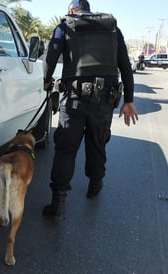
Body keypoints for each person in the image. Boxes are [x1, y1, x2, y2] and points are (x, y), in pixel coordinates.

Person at [42, 0, 138, 220]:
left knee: (66, 148)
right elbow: (125, 66)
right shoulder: (113, 28)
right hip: (104, 101)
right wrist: (129, 100)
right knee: (97, 143)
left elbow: (50, 57)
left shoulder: (65, 25)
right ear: (88, 9)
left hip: (74, 98)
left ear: (71, 10)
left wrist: (46, 81)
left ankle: (58, 203)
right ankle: (95, 186)